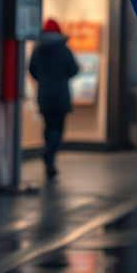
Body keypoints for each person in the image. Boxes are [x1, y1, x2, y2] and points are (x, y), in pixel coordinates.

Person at [29, 19, 79, 178]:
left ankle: (48, 154)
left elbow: (32, 69)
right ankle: (49, 153)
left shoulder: (38, 49)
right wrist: (62, 77)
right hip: (60, 93)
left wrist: (43, 80)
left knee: (48, 126)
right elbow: (74, 69)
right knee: (58, 128)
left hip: (44, 92)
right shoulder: (64, 50)